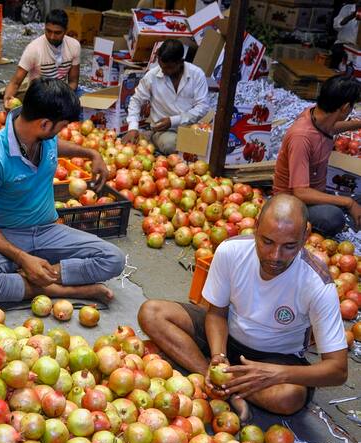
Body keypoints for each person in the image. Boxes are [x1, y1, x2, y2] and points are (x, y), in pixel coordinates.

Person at [138, 194, 348, 421]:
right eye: (267, 241)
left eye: (289, 246)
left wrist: (276, 374)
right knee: (152, 313)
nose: (274, 256)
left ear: (305, 235)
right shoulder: (231, 251)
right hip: (227, 335)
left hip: (276, 357)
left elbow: (338, 370)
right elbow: (217, 314)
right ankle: (219, 382)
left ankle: (225, 384)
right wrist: (218, 355)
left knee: (289, 397)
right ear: (256, 226)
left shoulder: (317, 283)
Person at [0, 78, 125, 304]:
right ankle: (59, 290)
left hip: (49, 231)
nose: (63, 130)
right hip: (8, 236)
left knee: (114, 259)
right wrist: (22, 257)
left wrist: (91, 154)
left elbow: (56, 146)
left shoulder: (43, 136)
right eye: (62, 126)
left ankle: (38, 277)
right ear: (45, 124)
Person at [272, 75, 361, 238]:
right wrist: (349, 203)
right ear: (345, 107)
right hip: (294, 203)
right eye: (352, 107)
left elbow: (332, 128)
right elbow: (301, 193)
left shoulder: (319, 116)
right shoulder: (302, 137)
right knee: (333, 218)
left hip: (317, 191)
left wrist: (358, 123)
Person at [122, 39, 209, 155]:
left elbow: (202, 106)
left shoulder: (197, 74)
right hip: (164, 131)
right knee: (171, 145)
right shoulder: (152, 76)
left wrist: (173, 120)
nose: (164, 71)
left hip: (191, 128)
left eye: (169, 68)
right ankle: (153, 138)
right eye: (162, 67)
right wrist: (133, 127)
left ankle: (150, 139)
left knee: (208, 146)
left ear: (181, 62)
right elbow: (136, 100)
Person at [3, 9, 81, 109]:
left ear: (66, 30)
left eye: (57, 33)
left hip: (61, 93)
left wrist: (62, 98)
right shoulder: (34, 49)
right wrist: (7, 99)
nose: (52, 36)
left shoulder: (74, 46)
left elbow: (73, 82)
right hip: (39, 96)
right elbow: (16, 82)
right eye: (48, 31)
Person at [330, 2, 360, 70]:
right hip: (342, 45)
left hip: (356, 49)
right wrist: (352, 15)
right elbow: (336, 25)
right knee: (337, 53)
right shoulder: (347, 8)